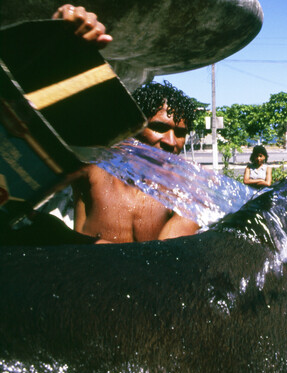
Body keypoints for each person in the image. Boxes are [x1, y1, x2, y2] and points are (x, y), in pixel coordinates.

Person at [56, 4, 199, 243]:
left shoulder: (187, 192)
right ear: (134, 126)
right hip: (81, 277)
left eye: (181, 133)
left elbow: (163, 264)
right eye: (160, 127)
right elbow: (45, 125)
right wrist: (61, 45)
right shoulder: (94, 166)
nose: (171, 142)